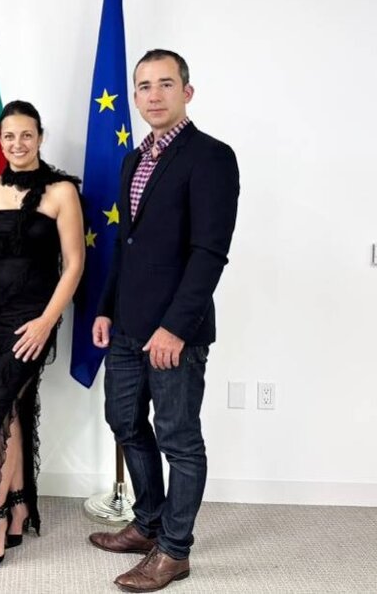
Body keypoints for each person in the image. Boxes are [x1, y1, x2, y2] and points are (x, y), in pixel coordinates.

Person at [89, 49, 239, 592]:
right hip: (127, 328)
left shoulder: (212, 157)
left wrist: (175, 327)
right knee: (124, 423)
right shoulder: (134, 160)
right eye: (144, 86)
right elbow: (124, 247)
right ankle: (148, 523)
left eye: (165, 84)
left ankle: (175, 551)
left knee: (179, 440)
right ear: (135, 96)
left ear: (187, 92)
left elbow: (209, 253)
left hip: (176, 332)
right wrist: (106, 307)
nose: (153, 95)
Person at [0, 101, 85, 572]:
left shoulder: (62, 192)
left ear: (40, 137)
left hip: (33, 320)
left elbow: (74, 263)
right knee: (4, 409)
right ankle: (17, 507)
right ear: (1, 140)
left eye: (26, 135)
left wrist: (47, 321)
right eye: (9, 136)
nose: (17, 143)